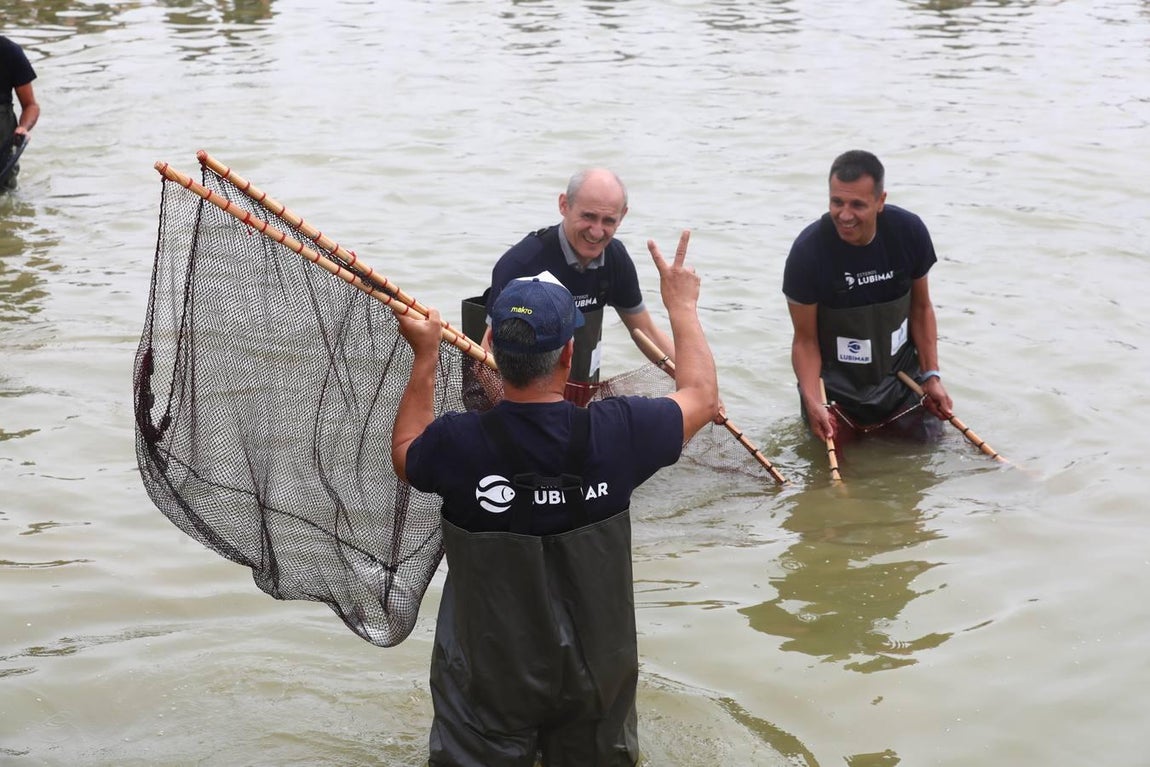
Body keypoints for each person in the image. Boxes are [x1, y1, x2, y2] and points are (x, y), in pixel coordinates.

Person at [392, 231, 718, 766]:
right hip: (596, 677)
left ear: (490, 343)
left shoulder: (457, 443)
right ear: (571, 352)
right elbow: (701, 397)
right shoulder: (619, 432)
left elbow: (406, 452)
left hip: (488, 678)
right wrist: (680, 305)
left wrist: (424, 356)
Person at [463, 168, 677, 405]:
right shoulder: (521, 263)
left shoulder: (616, 259)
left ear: (623, 216)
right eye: (588, 217)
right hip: (515, 403)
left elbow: (646, 332)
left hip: (578, 397)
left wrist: (697, 384)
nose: (596, 232)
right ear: (564, 205)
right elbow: (485, 364)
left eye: (608, 221)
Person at [782, 150, 953, 444]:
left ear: (880, 201)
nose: (844, 215)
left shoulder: (908, 232)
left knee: (924, 467)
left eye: (857, 205)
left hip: (902, 382)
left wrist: (932, 376)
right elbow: (805, 340)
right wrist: (813, 402)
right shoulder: (808, 252)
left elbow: (922, 309)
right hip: (835, 394)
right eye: (837, 202)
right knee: (833, 485)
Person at [0, 35, 40, 190]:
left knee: (5, 194)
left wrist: (23, 127)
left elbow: (31, 105)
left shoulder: (9, 51)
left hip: (2, 132)